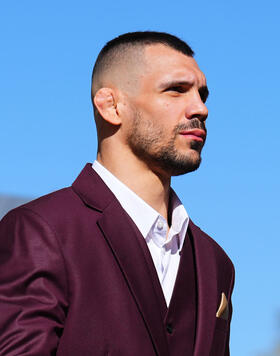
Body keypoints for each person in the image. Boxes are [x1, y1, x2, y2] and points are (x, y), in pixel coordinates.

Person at [0, 31, 234, 356]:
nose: (200, 108)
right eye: (176, 90)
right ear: (111, 106)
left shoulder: (215, 261)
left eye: (202, 95)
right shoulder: (41, 230)